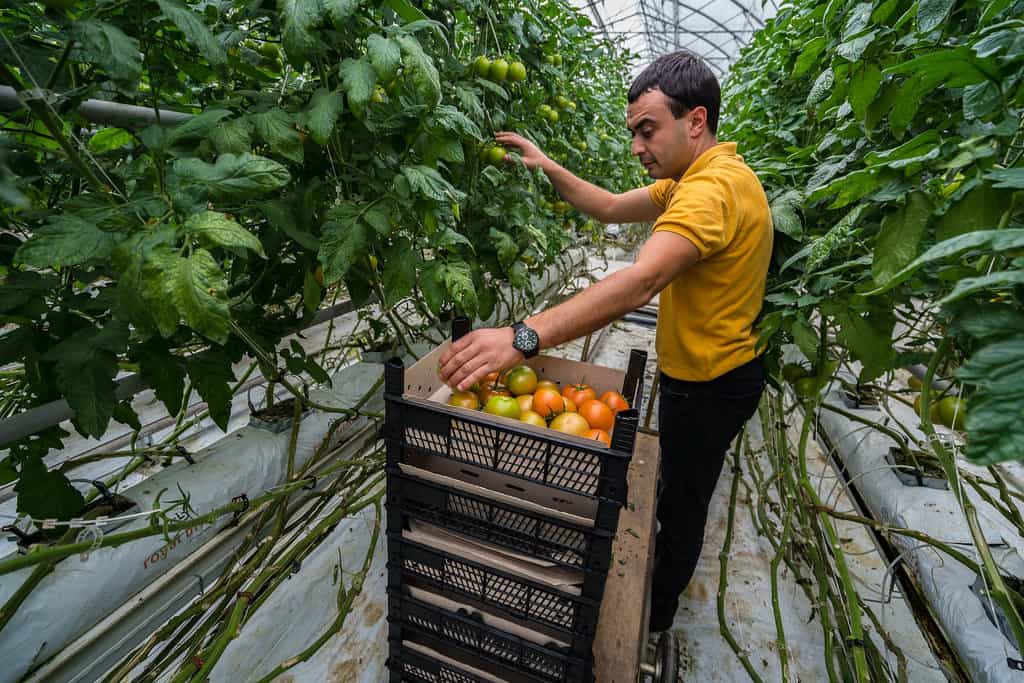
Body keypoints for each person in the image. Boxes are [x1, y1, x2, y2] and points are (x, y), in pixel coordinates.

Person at [438, 50, 773, 633]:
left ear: (695, 121)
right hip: (699, 373)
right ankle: (658, 589)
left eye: (649, 130)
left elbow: (641, 279)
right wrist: (548, 165)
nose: (638, 146)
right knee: (678, 484)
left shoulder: (711, 191)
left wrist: (523, 337)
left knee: (683, 506)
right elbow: (612, 207)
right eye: (634, 133)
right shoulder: (691, 178)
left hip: (713, 386)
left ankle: (654, 617)